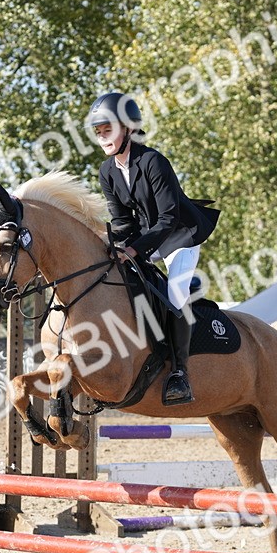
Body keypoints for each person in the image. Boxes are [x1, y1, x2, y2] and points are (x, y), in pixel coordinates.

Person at [87, 92, 219, 406]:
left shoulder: (153, 161)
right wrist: (112, 245)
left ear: (128, 128)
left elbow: (168, 217)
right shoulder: (108, 171)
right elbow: (122, 220)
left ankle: (180, 374)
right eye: (98, 131)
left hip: (180, 235)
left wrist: (134, 251)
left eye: (108, 129)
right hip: (149, 237)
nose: (103, 136)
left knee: (175, 294)